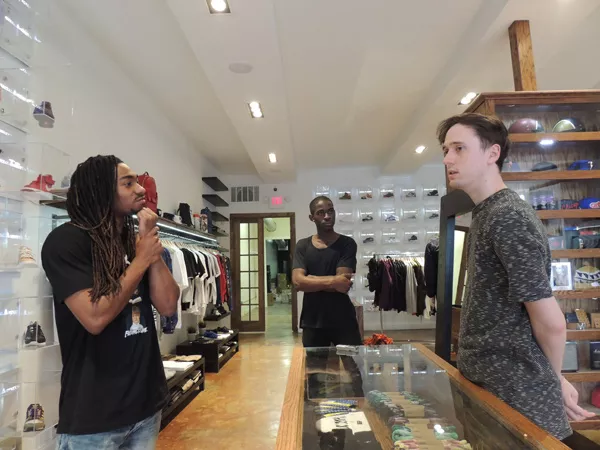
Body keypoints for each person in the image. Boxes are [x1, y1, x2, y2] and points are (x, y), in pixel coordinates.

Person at [437, 113, 594, 441]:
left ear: (492, 154)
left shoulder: (507, 217)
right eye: (445, 149)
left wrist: (552, 381)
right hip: (496, 388)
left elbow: (549, 320)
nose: (448, 158)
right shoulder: (487, 213)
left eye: (459, 148)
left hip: (518, 395)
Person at [41, 155, 180, 449]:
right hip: (94, 417)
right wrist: (140, 260)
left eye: (138, 183)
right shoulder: (65, 242)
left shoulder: (135, 241)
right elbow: (94, 318)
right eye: (127, 183)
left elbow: (168, 305)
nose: (140, 189)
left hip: (145, 406)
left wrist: (148, 246)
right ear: (100, 189)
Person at [292, 196, 361, 347]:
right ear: (312, 218)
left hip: (343, 319)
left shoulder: (347, 244)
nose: (327, 216)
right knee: (315, 370)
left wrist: (311, 280)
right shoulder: (302, 245)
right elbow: (298, 282)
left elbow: (343, 284)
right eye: (321, 213)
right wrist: (333, 281)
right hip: (312, 320)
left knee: (354, 368)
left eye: (330, 211)